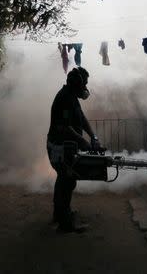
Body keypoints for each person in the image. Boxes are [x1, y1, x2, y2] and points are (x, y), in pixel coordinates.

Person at [47, 67, 101, 233]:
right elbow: (65, 127)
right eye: (84, 83)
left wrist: (93, 136)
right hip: (59, 147)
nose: (85, 87)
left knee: (64, 179)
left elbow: (82, 119)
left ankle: (61, 214)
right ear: (76, 84)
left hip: (66, 146)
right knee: (67, 181)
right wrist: (83, 141)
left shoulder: (72, 96)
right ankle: (65, 224)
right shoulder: (64, 98)